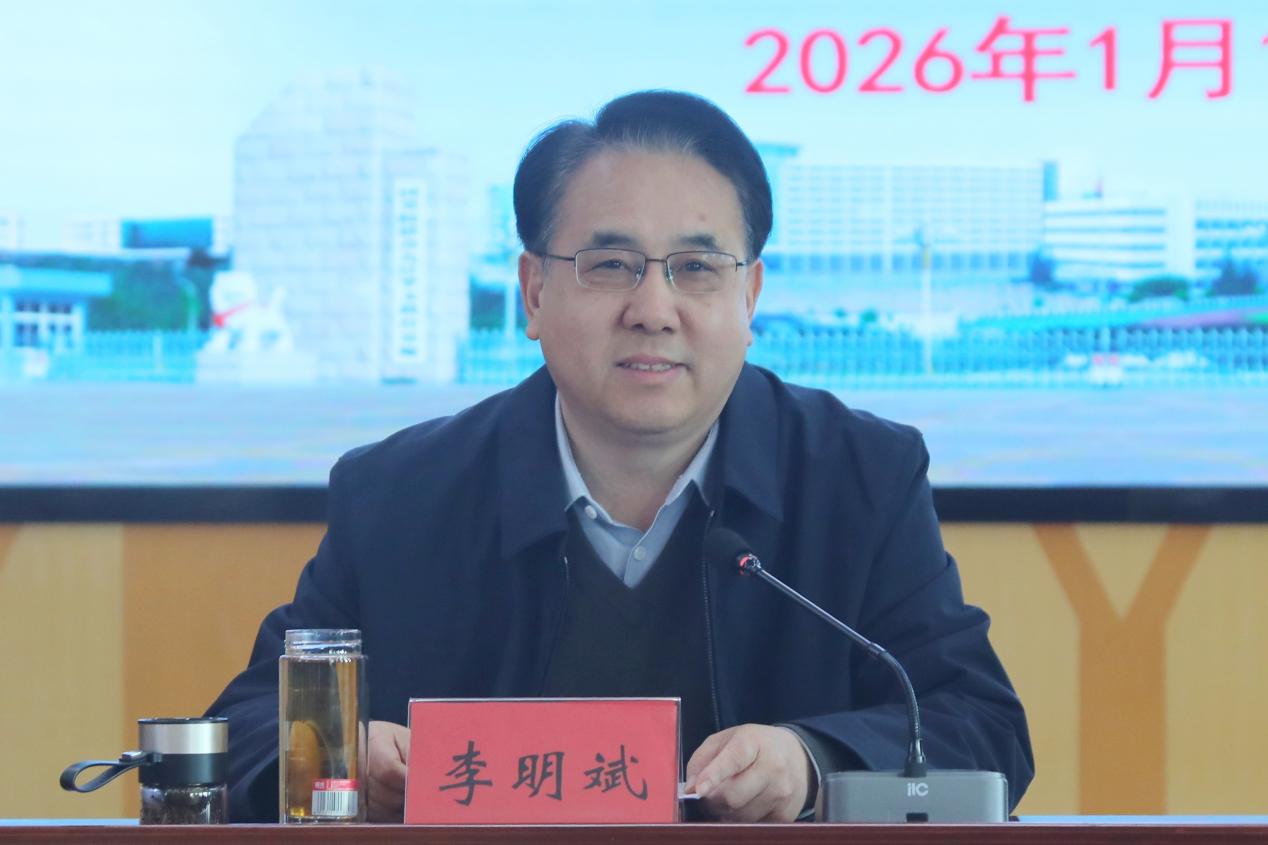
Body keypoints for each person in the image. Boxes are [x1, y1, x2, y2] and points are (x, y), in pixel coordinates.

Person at [207, 90, 1034, 823]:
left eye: (696, 268)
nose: (654, 309)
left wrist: (813, 761)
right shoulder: (399, 495)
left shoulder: (859, 477)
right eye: (611, 266)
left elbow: (979, 725)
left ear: (748, 296)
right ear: (534, 292)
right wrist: (341, 755)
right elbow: (242, 729)